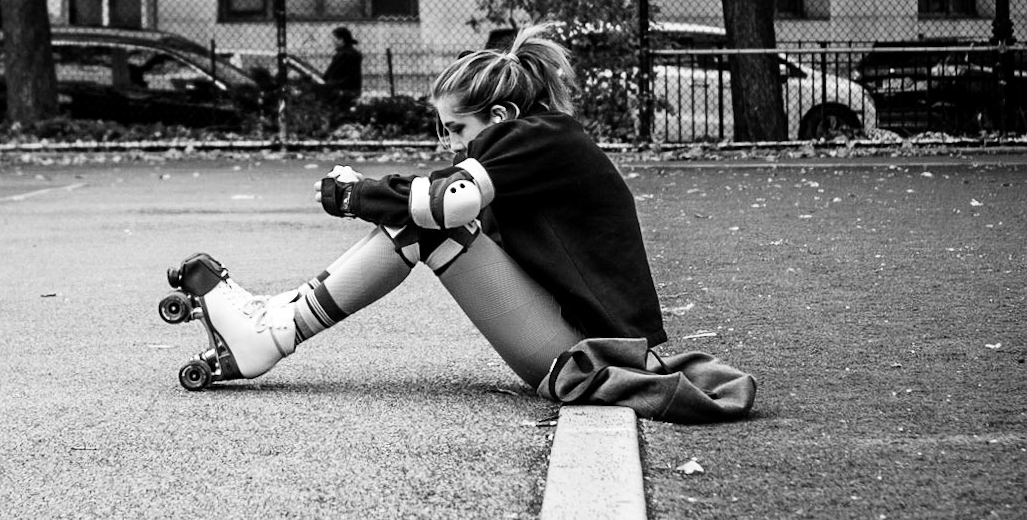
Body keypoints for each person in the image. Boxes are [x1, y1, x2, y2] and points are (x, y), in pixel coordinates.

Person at [170, 24, 755, 419]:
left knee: (433, 224)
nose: (450, 143)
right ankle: (271, 325)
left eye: (456, 128)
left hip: (585, 353)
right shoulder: (537, 141)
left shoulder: (539, 137)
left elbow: (445, 204)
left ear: (500, 116)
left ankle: (271, 332)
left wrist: (356, 195)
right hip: (576, 339)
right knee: (426, 220)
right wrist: (376, 195)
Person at [321, 26, 362, 123]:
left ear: (341, 40)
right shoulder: (353, 53)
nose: (333, 42)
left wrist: (324, 84)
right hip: (352, 89)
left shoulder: (343, 55)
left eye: (334, 39)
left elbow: (329, 74)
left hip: (341, 90)